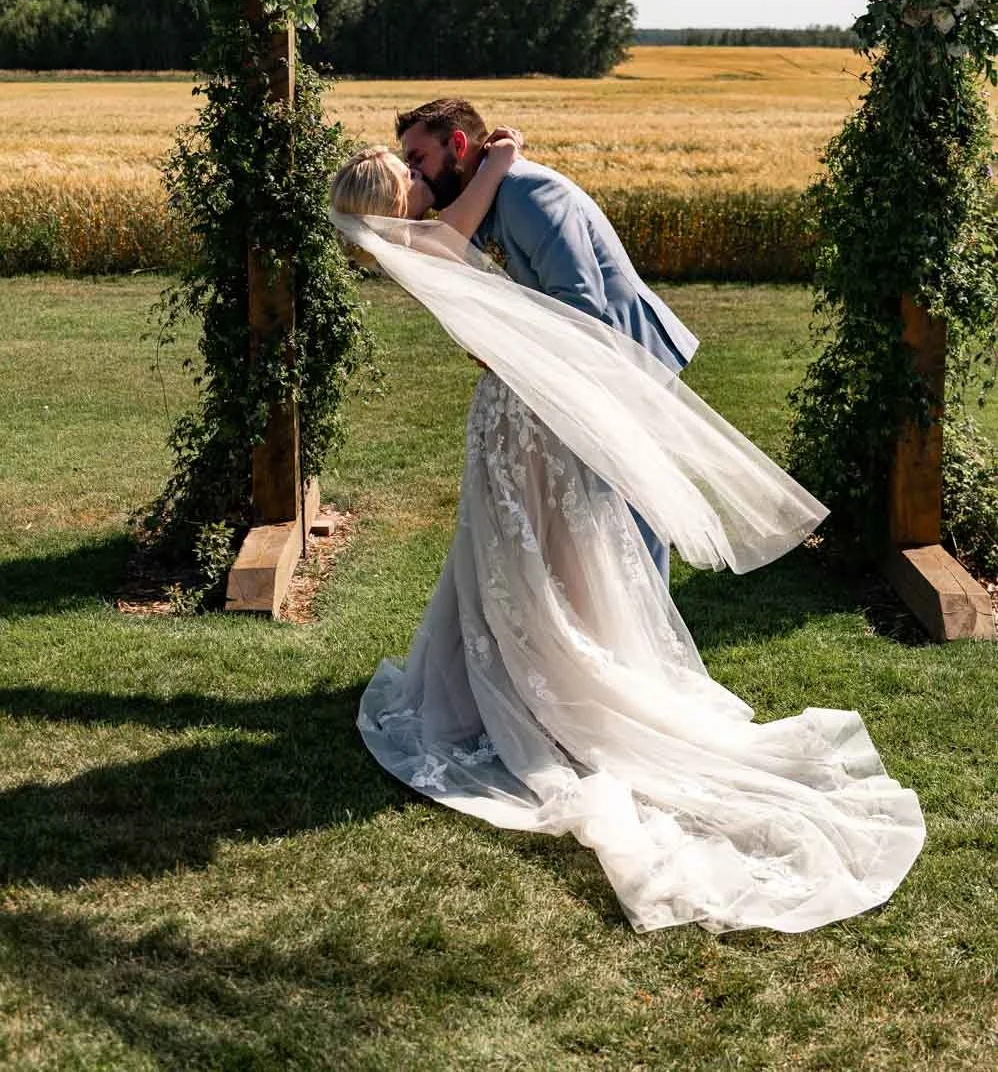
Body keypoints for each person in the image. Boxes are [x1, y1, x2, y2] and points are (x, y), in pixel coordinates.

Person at [328, 147, 925, 936]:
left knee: (520, 554)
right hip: (523, 407)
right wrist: (498, 159)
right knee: (536, 552)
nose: (420, 176)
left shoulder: (413, 242)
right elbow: (472, 230)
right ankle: (551, 667)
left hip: (513, 406)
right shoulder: (426, 240)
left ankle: (525, 664)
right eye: (409, 176)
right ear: (394, 200)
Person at [396, 97, 696, 582]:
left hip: (620, 355)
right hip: (565, 366)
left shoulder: (525, 192)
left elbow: (581, 301)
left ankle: (649, 642)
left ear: (457, 145)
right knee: (590, 513)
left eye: (419, 160)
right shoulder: (470, 206)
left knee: (632, 508)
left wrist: (516, 354)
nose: (415, 175)